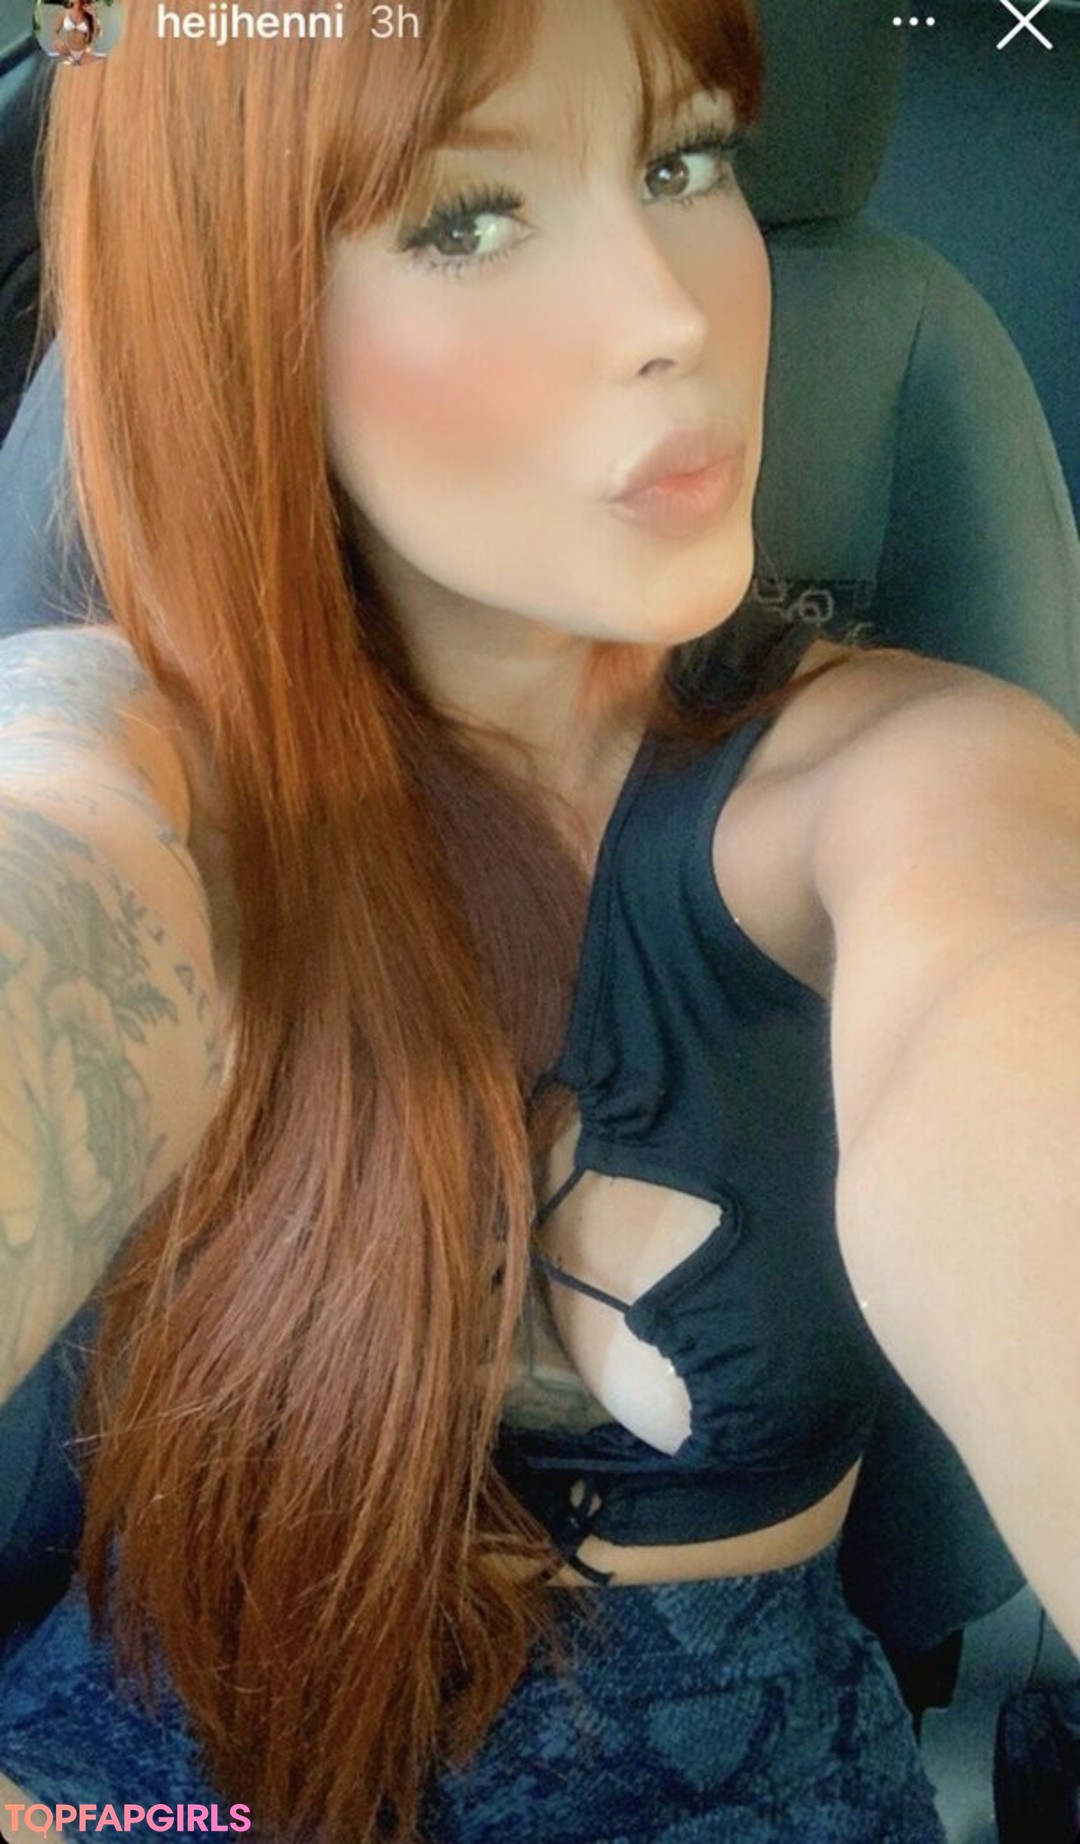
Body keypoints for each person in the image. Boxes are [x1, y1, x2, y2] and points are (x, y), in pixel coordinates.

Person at [0, 0, 1078, 1839]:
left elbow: (1014, 1011)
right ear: (244, 309)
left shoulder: (920, 783)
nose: (671, 311)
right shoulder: (131, 772)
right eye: (468, 218)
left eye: (684, 159)